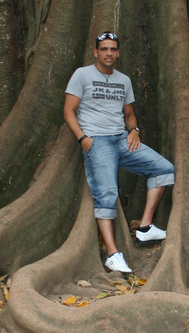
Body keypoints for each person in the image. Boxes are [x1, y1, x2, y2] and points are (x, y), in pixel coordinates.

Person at [64, 31, 174, 274]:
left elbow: (129, 113)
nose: (109, 53)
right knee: (107, 192)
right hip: (97, 141)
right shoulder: (81, 75)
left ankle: (145, 227)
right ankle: (113, 255)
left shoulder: (123, 80)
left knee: (163, 168)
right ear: (96, 52)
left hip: (121, 140)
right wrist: (83, 138)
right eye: (104, 49)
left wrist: (134, 130)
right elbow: (69, 111)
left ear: (118, 53)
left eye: (113, 49)